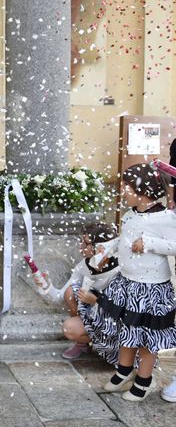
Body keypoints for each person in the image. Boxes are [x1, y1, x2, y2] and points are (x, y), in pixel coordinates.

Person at [92, 163, 176, 401]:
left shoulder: (165, 218)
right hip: (127, 284)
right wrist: (106, 250)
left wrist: (149, 243)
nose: (122, 191)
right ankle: (124, 371)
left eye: (126, 186)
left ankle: (144, 380)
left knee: (148, 335)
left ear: (143, 189)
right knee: (127, 331)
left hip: (151, 290)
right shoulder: (130, 215)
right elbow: (124, 240)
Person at [34, 223, 120, 362]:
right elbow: (60, 297)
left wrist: (96, 300)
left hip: (118, 322)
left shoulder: (121, 268)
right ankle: (84, 344)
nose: (81, 246)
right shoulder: (83, 266)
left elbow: (127, 309)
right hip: (97, 316)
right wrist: (46, 285)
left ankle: (116, 349)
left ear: (101, 248)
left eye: (86, 243)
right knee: (70, 294)